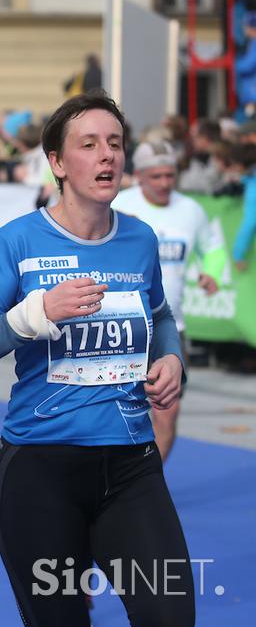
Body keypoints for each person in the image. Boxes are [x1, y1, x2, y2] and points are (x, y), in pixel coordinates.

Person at [0, 92, 193, 626]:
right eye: (89, 145)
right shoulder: (17, 240)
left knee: (171, 617)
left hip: (131, 466)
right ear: (57, 163)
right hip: (41, 468)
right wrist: (32, 314)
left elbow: (162, 316)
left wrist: (171, 360)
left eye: (115, 144)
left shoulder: (139, 238)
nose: (107, 156)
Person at [111, 141, 226, 459]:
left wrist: (212, 273)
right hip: (123, 326)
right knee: (116, 416)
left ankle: (151, 481)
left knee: (167, 412)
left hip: (170, 327)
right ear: (140, 176)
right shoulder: (118, 205)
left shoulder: (192, 210)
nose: (164, 183)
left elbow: (213, 247)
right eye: (156, 176)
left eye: (170, 176)